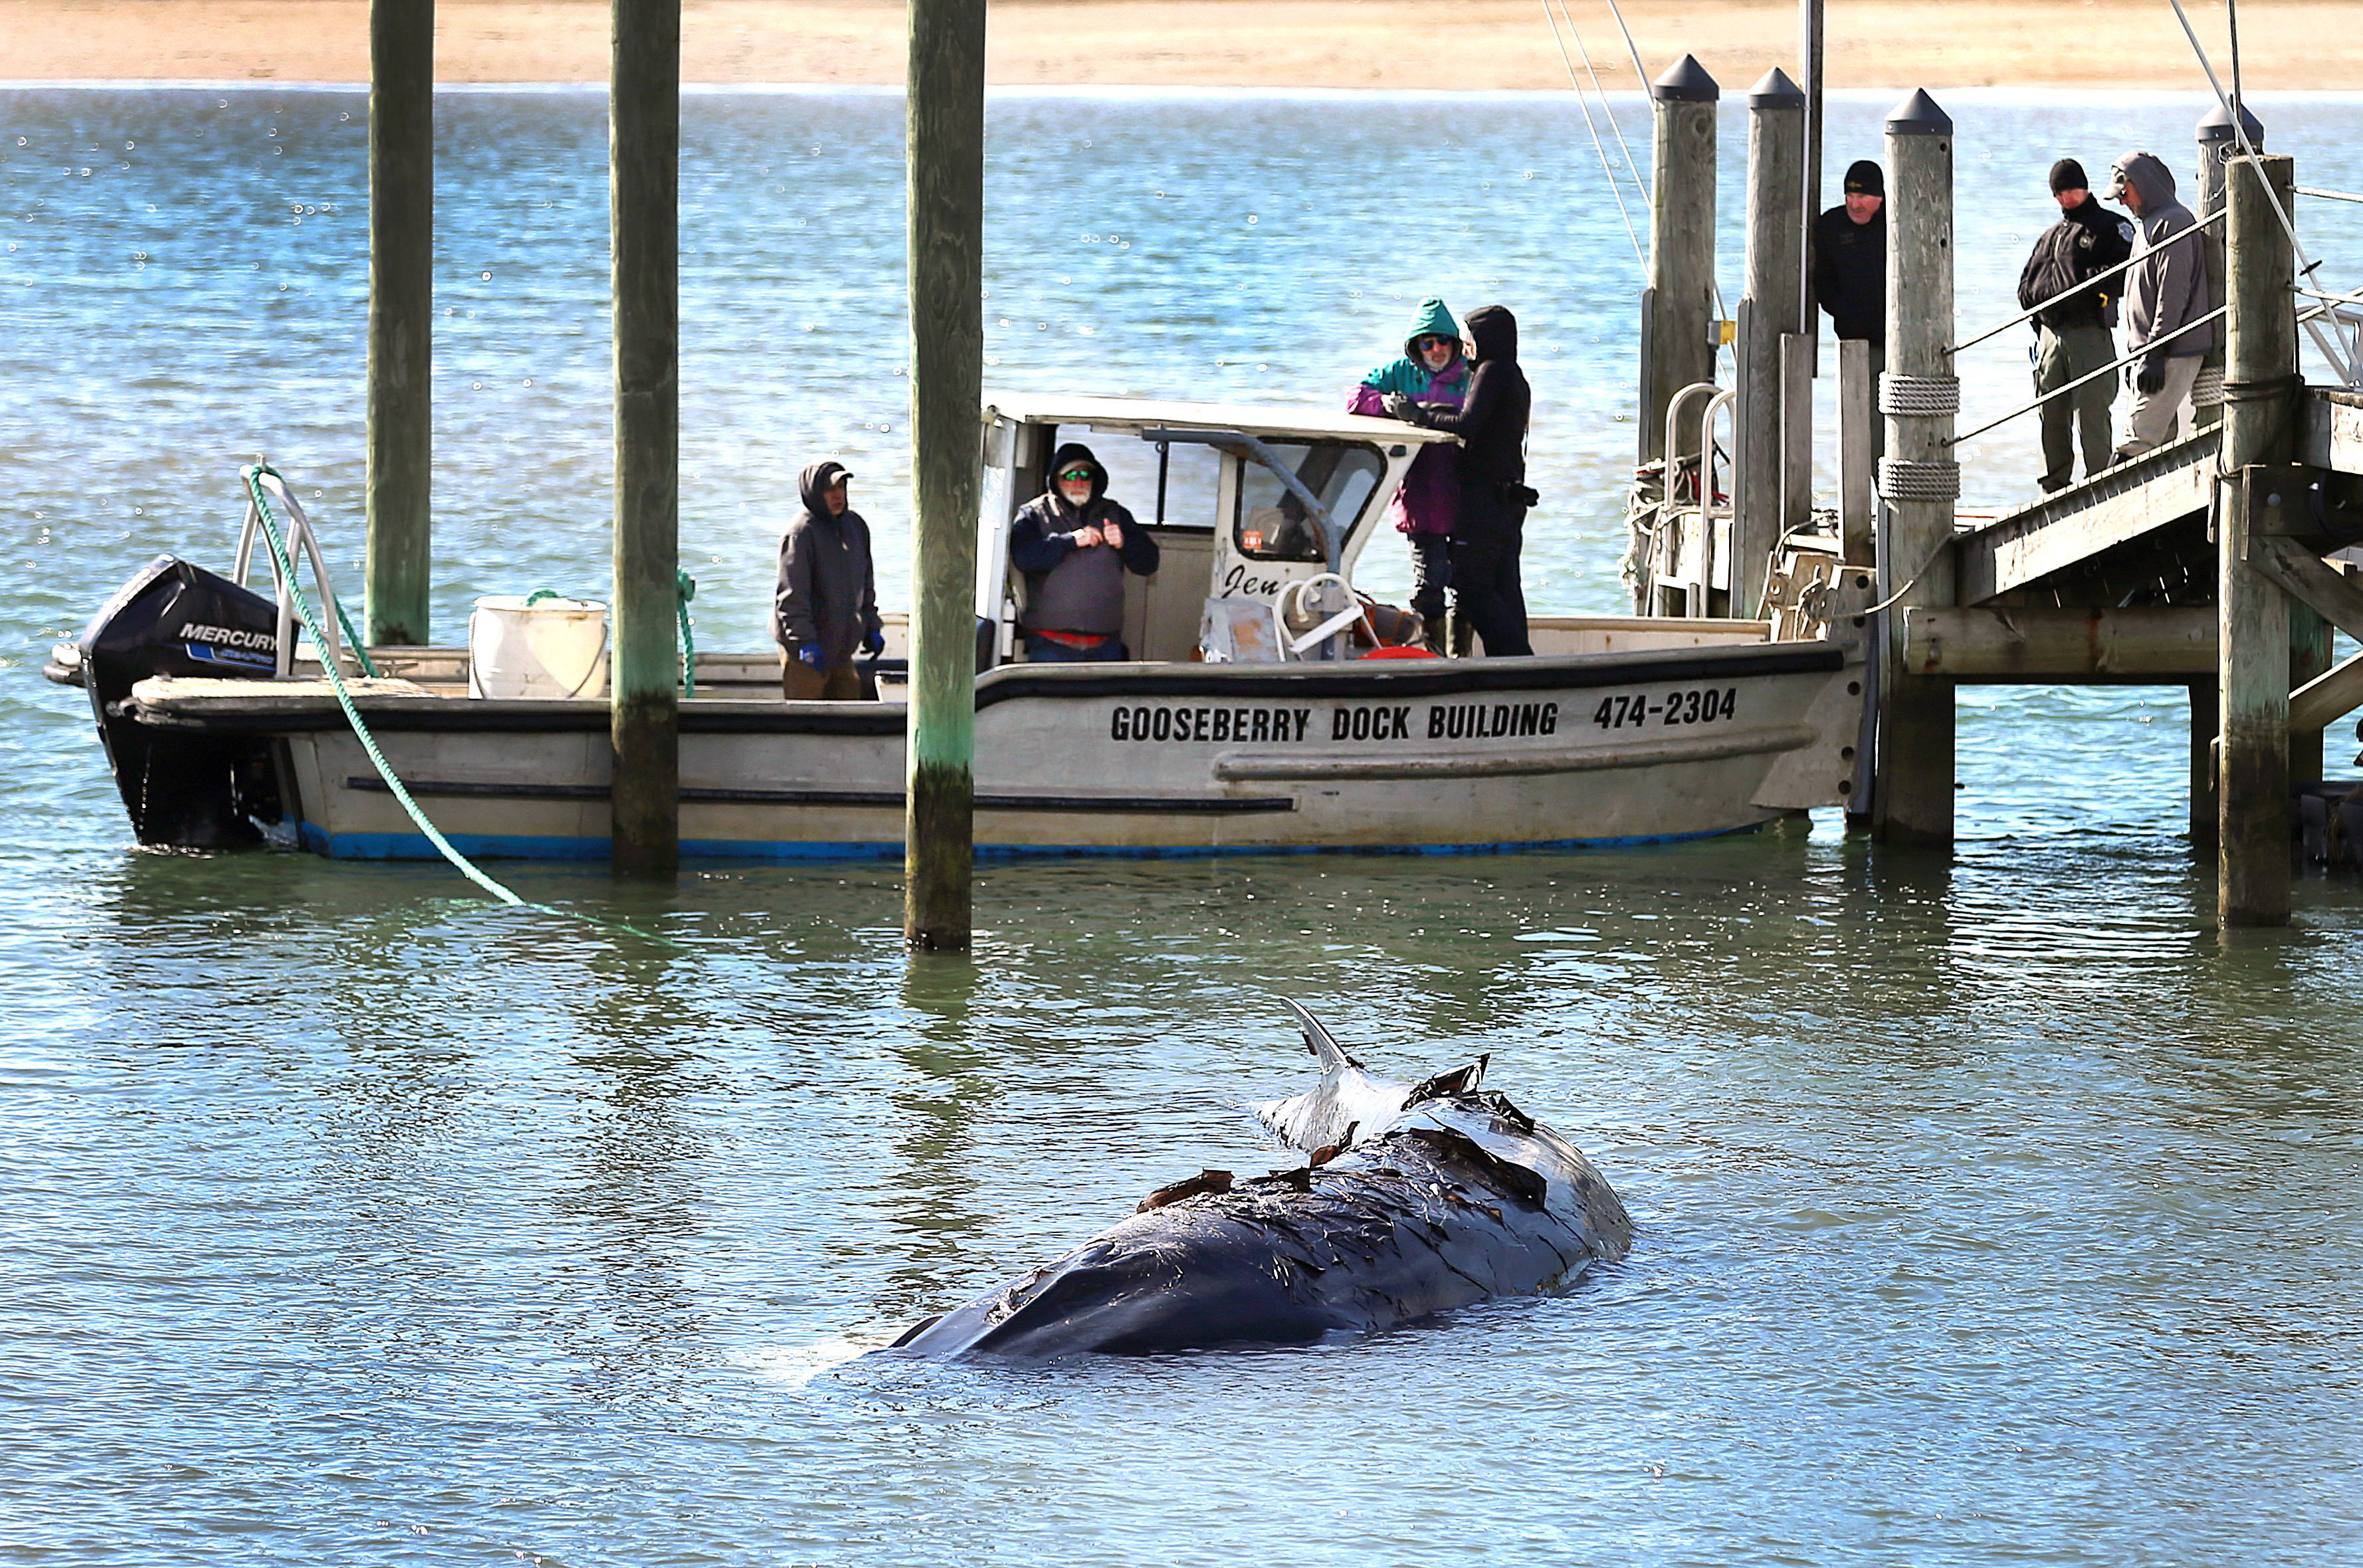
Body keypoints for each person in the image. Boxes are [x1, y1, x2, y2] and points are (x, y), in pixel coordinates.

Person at [1387, 304, 1532, 657]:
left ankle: (1516, 659)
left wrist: (1417, 415)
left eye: (1470, 340)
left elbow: (1467, 424)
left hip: (1486, 501)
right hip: (1507, 498)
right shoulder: (1512, 374)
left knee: (1471, 589)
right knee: (1504, 585)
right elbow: (1475, 416)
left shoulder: (1492, 371)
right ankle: (1517, 664)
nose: (1466, 348)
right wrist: (1430, 411)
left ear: (1485, 340)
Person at [1350, 298, 1471, 648]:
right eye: (1427, 343)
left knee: (1467, 583)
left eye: (1442, 341)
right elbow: (1355, 398)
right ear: (1416, 346)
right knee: (1429, 581)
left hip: (1464, 495)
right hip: (1420, 498)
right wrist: (1387, 406)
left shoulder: (1470, 374)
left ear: (1455, 343)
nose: (1435, 349)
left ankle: (1461, 655)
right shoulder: (1399, 372)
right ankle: (1434, 654)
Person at [2017, 157, 2135, 492]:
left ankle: (2099, 481)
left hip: (2090, 332)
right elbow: (2026, 284)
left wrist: (2084, 287)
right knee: (2051, 411)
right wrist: (2038, 303)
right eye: (2060, 192)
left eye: (2072, 189)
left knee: (2093, 412)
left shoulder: (2111, 226)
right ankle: (2055, 485)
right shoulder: (2051, 236)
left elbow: (2125, 272)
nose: (2067, 197)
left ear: (2085, 187)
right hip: (2050, 336)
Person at [2108, 149, 2217, 461]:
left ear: (2142, 185)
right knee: (2161, 450)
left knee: (2135, 444)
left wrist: (2155, 351)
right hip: (2151, 353)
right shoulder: (2148, 225)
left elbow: (2174, 293)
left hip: (2170, 352)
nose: (2121, 202)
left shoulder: (2174, 222)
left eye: (2124, 193)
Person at [1009, 442, 1160, 662]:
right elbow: (1023, 558)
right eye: (1070, 475)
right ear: (1056, 480)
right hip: (1049, 647)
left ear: (1095, 479)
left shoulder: (1116, 514)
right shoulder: (1034, 514)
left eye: (1085, 474)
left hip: (1105, 649)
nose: (1078, 482)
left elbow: (1150, 564)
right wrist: (1071, 540)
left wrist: (1125, 543)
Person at [771, 459, 882, 700]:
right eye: (829, 490)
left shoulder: (856, 527)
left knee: (848, 716)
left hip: (841, 651)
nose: (837, 495)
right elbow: (791, 598)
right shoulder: (800, 534)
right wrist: (805, 644)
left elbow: (866, 585)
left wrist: (872, 626)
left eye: (841, 488)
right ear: (814, 493)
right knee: (807, 722)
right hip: (806, 654)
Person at [1813, 159, 1887, 365]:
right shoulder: (1831, 226)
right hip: (1853, 340)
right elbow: (1823, 280)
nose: (1855, 205)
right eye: (1850, 196)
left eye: (1862, 197)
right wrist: (1844, 312)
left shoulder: (1897, 223)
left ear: (1880, 198)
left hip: (1899, 339)